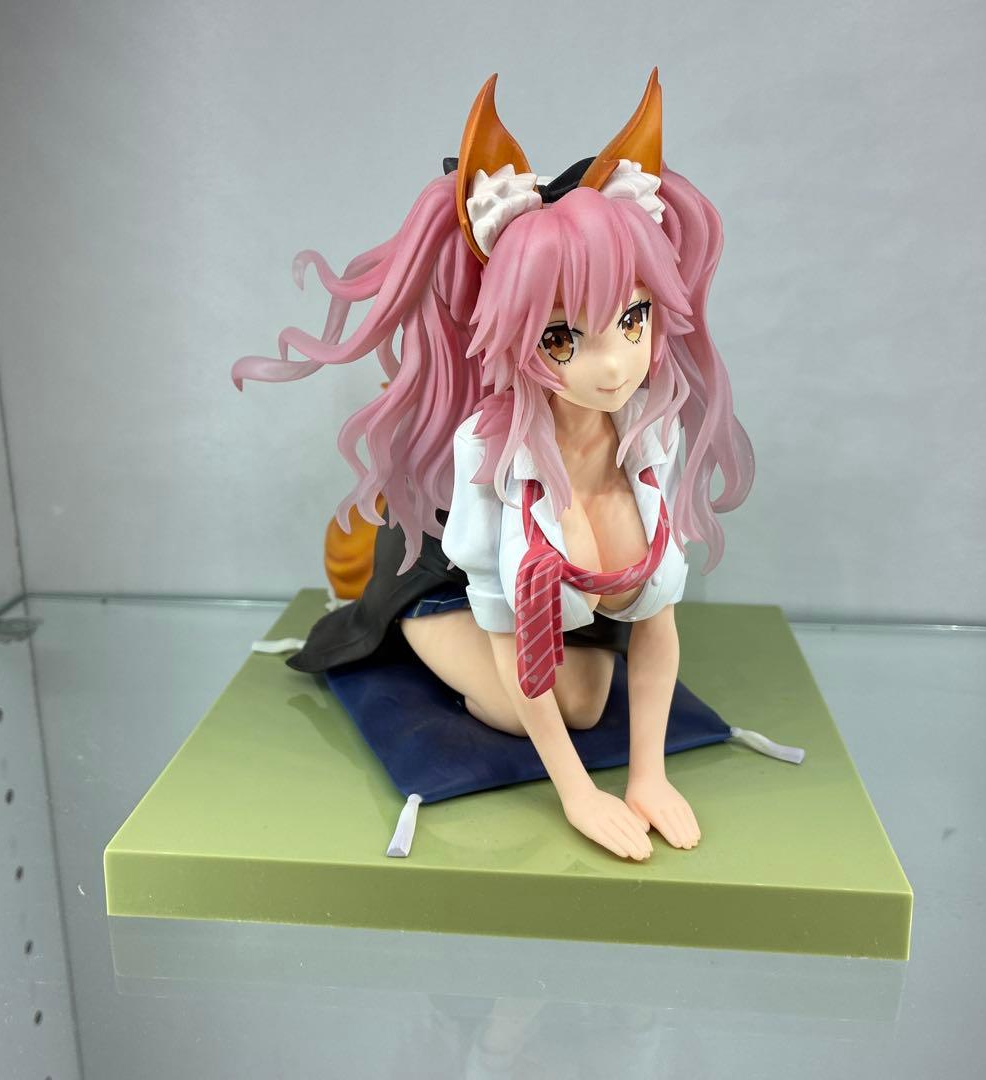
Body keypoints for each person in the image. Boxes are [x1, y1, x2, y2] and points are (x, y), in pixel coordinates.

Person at [233, 70, 754, 861]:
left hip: (572, 609)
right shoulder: (491, 451)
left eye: (634, 318)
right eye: (562, 337)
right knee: (546, 708)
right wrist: (578, 792)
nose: (615, 365)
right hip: (450, 587)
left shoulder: (649, 433)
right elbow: (510, 634)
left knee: (588, 699)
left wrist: (647, 775)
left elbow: (657, 621)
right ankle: (396, 627)